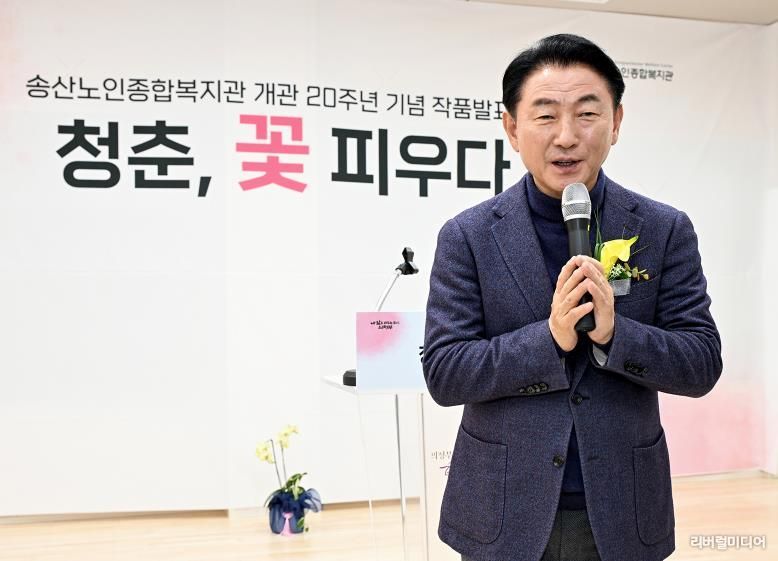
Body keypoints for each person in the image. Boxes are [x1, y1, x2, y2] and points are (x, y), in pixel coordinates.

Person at [422, 34, 722, 561]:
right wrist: (549, 338)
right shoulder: (468, 236)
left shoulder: (663, 229)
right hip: (502, 509)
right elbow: (446, 374)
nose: (567, 136)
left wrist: (615, 334)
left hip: (623, 508)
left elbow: (700, 364)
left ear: (616, 122)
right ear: (512, 128)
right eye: (545, 116)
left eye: (587, 114)